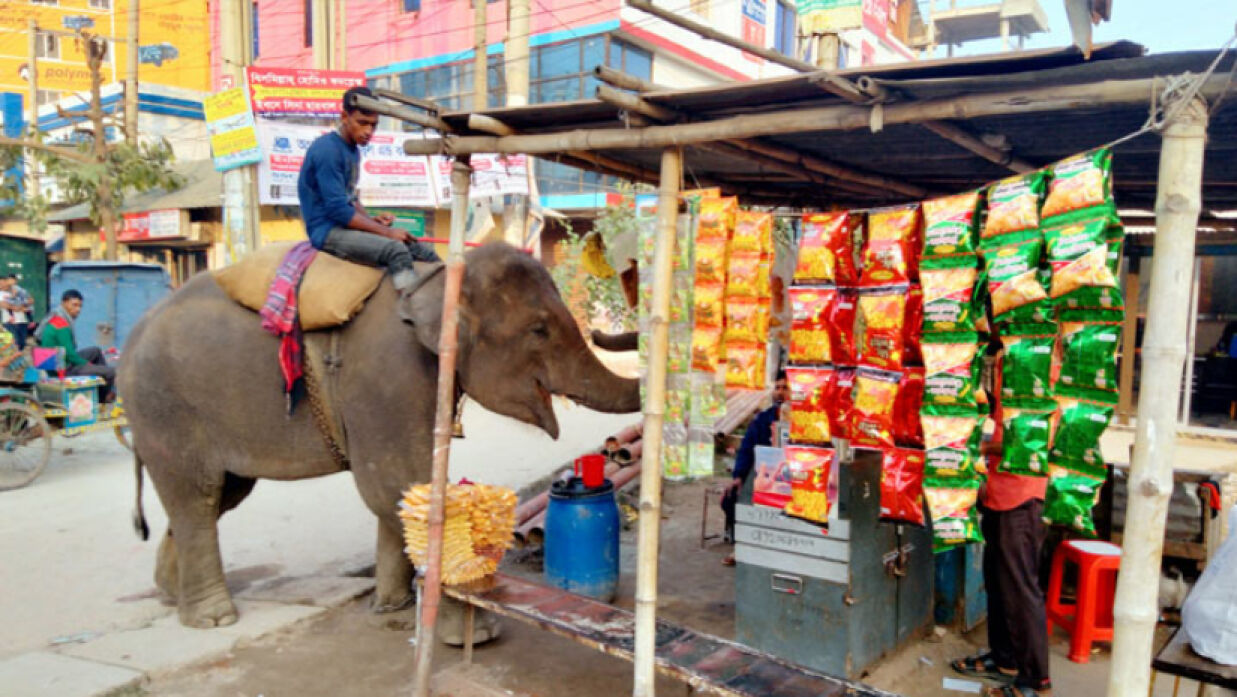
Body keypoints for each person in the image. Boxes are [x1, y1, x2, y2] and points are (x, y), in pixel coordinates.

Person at [951, 348, 1051, 697]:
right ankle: (1005, 658)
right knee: (996, 580)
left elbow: (1034, 442)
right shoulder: (1008, 362)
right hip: (1000, 489)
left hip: (1023, 495)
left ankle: (1036, 682)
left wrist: (978, 447)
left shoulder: (1038, 365)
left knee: (1021, 588)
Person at [297, 85, 440, 299]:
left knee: (424, 252)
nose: (368, 132)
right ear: (344, 116)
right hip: (327, 232)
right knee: (396, 250)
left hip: (344, 226)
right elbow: (338, 211)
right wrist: (387, 232)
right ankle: (411, 308)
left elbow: (350, 200)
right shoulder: (327, 150)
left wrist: (372, 220)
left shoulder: (352, 149)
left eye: (373, 125)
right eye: (362, 123)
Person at [721, 369, 789, 566]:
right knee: (731, 498)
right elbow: (747, 449)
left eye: (785, 388)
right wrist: (738, 476)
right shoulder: (763, 419)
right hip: (764, 476)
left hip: (793, 479)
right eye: (777, 388)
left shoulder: (805, 420)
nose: (780, 392)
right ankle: (741, 546)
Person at [36, 289, 116, 400]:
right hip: (61, 369)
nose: (77, 309)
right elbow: (70, 355)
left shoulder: (56, 317)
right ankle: (101, 400)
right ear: (64, 303)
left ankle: (101, 391)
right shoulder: (61, 324)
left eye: (80, 306)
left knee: (95, 351)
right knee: (111, 372)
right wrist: (89, 365)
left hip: (57, 361)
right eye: (74, 305)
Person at [0, 274, 34, 349]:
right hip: (9, 322)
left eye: (2, 283)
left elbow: (31, 300)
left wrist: (20, 306)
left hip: (22, 321)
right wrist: (21, 307)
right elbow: (4, 305)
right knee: (15, 343)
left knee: (22, 343)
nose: (1, 285)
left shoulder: (18, 290)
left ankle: (18, 359)